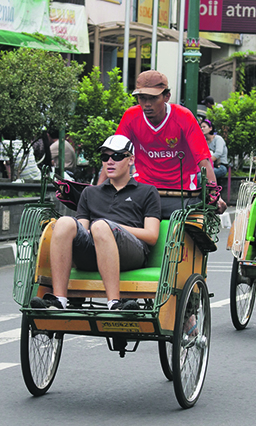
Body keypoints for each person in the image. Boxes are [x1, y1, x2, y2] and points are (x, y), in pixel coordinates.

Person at [31, 135, 161, 311]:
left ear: (131, 160)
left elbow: (152, 236)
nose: (109, 162)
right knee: (64, 223)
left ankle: (114, 302)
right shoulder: (90, 193)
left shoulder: (147, 192)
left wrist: (111, 226)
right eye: (105, 157)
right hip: (94, 250)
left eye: (116, 156)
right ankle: (59, 299)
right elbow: (81, 230)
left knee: (100, 226)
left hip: (131, 252)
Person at [108, 70, 227, 217]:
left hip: (182, 191)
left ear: (166, 96)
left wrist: (214, 195)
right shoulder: (131, 116)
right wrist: (100, 189)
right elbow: (113, 154)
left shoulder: (184, 117)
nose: (147, 104)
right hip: (144, 187)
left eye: (153, 98)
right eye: (142, 98)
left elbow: (203, 160)